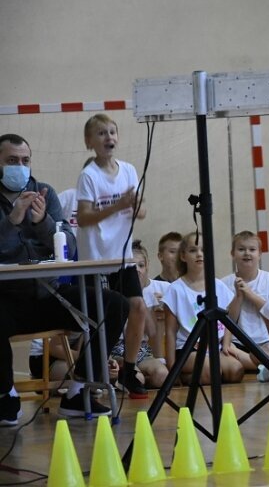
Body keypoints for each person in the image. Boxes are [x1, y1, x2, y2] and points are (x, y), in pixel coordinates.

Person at [0, 133, 128, 423]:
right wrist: (12, 222)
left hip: (48, 295)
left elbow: (67, 245)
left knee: (115, 304)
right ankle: (4, 395)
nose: (19, 166)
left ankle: (80, 389)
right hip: (8, 300)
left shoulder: (44, 192)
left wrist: (42, 222)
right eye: (11, 161)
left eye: (24, 161)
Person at [75, 113, 149, 398]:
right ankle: (89, 374)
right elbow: (83, 218)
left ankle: (129, 370)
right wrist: (118, 205)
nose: (109, 137)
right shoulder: (89, 175)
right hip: (96, 258)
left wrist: (133, 206)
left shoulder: (129, 170)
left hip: (122, 256)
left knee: (138, 308)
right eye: (102, 133)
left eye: (113, 132)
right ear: (89, 141)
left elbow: (141, 211)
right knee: (101, 318)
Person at [162, 232, 244, 385]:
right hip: (188, 349)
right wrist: (172, 367)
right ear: (183, 256)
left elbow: (229, 319)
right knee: (209, 371)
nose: (199, 254)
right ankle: (185, 378)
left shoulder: (217, 285)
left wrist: (226, 343)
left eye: (203, 250)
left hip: (215, 347)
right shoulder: (175, 289)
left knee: (236, 370)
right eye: (193, 250)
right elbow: (170, 332)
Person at [222, 231, 269, 372]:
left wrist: (250, 294)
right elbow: (226, 320)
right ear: (232, 254)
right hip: (237, 343)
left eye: (252, 249)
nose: (247, 253)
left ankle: (259, 365)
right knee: (228, 355)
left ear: (260, 254)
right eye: (241, 249)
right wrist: (238, 297)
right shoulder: (223, 283)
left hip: (266, 341)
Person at [109, 241, 169, 389]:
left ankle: (134, 380)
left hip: (143, 348)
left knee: (162, 375)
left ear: (148, 265)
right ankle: (129, 377)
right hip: (118, 348)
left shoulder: (162, 288)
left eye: (141, 266)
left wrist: (138, 293)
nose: (137, 271)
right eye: (132, 267)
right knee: (139, 378)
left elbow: (152, 332)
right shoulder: (114, 289)